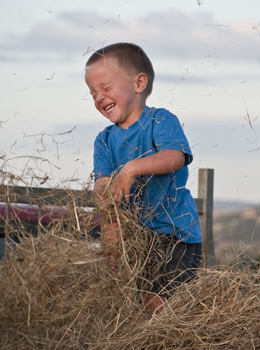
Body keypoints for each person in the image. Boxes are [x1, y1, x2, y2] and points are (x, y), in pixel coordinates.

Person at [85, 42, 202, 313]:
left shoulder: (160, 121)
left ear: (138, 83)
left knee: (165, 305)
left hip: (174, 232)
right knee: (145, 305)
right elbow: (103, 188)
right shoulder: (104, 140)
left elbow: (176, 157)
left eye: (106, 87)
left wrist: (132, 168)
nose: (99, 97)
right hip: (137, 238)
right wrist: (111, 229)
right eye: (92, 93)